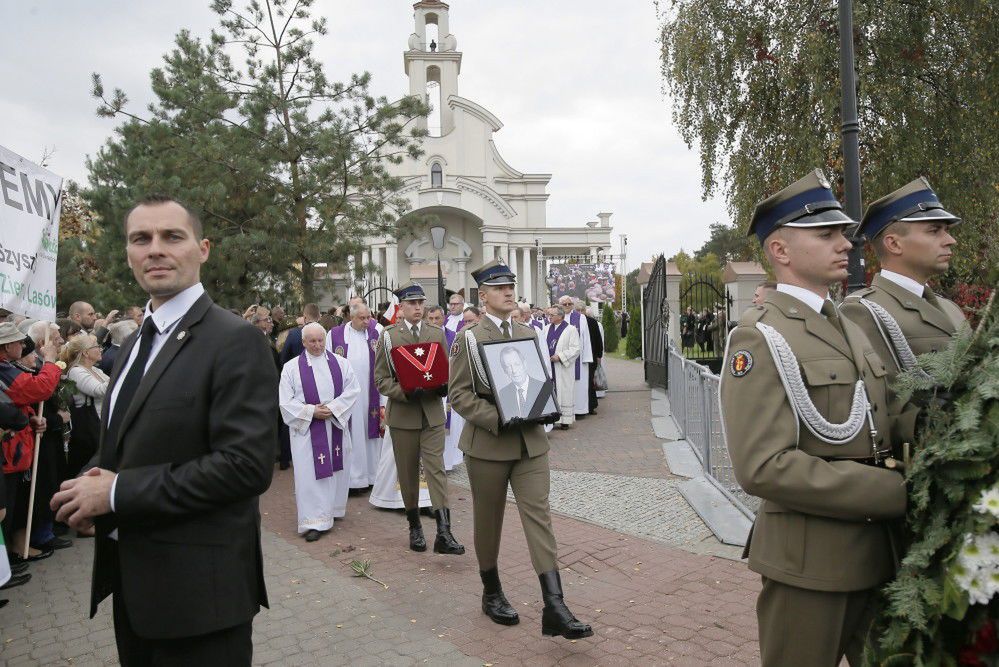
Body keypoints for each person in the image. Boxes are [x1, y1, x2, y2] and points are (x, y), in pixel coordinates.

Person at [50, 194, 277, 665]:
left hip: (202, 601)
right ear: (129, 253)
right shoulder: (135, 342)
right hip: (135, 590)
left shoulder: (236, 340)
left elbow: (245, 467)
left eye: (172, 236)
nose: (155, 249)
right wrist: (90, 482)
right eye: (141, 239)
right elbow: (126, 439)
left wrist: (116, 494)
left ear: (203, 248)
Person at [719, 170, 911, 666]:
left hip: (880, 553)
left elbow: (883, 419)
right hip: (811, 565)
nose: (844, 244)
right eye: (826, 235)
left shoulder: (848, 322)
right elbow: (762, 465)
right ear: (781, 251)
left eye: (843, 233)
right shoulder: (760, 337)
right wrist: (894, 492)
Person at [449, 259, 592, 638]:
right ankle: (491, 591)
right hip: (489, 444)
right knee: (488, 520)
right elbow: (459, 394)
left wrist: (544, 405)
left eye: (510, 286)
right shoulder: (469, 339)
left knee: (539, 516)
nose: (509, 292)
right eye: (499, 288)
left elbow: (535, 380)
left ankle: (555, 604)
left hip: (530, 443)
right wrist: (497, 418)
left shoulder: (529, 333)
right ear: (484, 295)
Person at [840, 177, 966, 396]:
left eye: (946, 230)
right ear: (894, 244)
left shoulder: (951, 309)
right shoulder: (862, 311)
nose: (950, 240)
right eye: (934, 230)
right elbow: (883, 401)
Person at [373, 282, 464, 555]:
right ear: (401, 307)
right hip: (403, 414)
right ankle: (414, 527)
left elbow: (447, 370)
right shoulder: (389, 336)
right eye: (412, 304)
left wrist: (443, 386)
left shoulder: (437, 333)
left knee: (436, 470)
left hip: (432, 412)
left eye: (421, 303)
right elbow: (380, 379)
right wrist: (403, 392)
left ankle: (444, 532)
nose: (417, 308)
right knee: (408, 473)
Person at [280, 323, 360, 541]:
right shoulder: (291, 368)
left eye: (320, 340)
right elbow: (285, 402)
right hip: (307, 431)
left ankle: (333, 510)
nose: (317, 345)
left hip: (333, 424)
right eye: (312, 341)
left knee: (335, 470)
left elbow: (353, 390)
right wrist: (311, 411)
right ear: (303, 342)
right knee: (310, 475)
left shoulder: (341, 364)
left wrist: (333, 409)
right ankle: (314, 520)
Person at [0, 322, 59, 561]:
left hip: (14, 451)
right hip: (8, 453)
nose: (22, 345)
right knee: (6, 510)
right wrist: (51, 362)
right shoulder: (4, 369)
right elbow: (39, 388)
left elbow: (17, 401)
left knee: (13, 508)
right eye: (17, 342)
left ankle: (8, 562)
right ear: (5, 346)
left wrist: (30, 418)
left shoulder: (6, 367)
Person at [326, 303, 383, 491]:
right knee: (351, 436)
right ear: (351, 316)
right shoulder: (335, 335)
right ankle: (353, 480)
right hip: (346, 396)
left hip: (371, 395)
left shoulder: (377, 334)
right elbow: (327, 362)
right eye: (362, 318)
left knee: (370, 435)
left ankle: (372, 476)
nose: (367, 321)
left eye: (369, 317)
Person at [63, 335, 110, 481]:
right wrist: (123, 374)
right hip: (87, 431)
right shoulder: (76, 371)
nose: (100, 349)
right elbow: (99, 390)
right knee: (86, 470)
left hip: (99, 426)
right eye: (96, 346)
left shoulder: (96, 370)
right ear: (85, 352)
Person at [427, 306, 463, 471]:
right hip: (430, 385)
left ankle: (447, 462)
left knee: (450, 425)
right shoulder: (423, 336)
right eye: (431, 318)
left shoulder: (453, 336)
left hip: (448, 385)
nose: (434, 322)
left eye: (437, 318)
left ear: (444, 318)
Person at [541, 306, 581, 429]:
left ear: (560, 316)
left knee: (564, 392)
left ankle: (565, 420)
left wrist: (560, 356)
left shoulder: (571, 329)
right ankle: (551, 419)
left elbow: (576, 349)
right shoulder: (546, 328)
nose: (549, 317)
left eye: (552, 315)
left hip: (562, 368)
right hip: (550, 366)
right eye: (549, 314)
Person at [557, 297, 593, 419]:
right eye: (564, 304)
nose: (567, 305)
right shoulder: (556, 318)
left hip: (579, 358)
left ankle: (579, 410)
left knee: (579, 386)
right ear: (560, 305)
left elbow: (586, 337)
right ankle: (565, 411)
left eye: (569, 303)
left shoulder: (580, 318)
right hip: (561, 358)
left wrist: (587, 357)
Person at [581, 304, 603, 414]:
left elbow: (598, 339)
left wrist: (599, 355)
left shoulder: (592, 322)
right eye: (578, 310)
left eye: (581, 310)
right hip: (581, 357)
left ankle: (591, 405)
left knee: (590, 381)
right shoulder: (574, 322)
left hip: (591, 356)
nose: (580, 312)